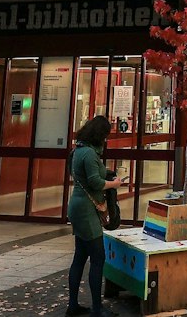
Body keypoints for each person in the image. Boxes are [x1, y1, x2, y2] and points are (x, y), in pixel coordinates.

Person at [65, 115, 122, 317]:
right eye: (105, 136)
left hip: (77, 207)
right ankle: (97, 309)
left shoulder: (78, 151)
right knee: (98, 258)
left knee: (79, 257)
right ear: (99, 135)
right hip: (86, 210)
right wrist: (114, 184)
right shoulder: (89, 154)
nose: (106, 140)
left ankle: (73, 305)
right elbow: (95, 183)